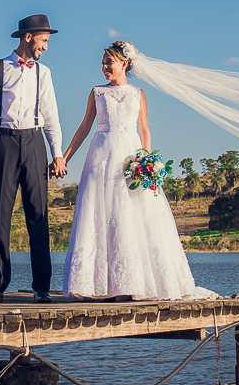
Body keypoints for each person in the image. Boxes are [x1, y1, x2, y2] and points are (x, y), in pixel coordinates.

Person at [59, 40, 215, 301]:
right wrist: (64, 157)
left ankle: (132, 283)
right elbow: (85, 127)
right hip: (101, 156)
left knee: (130, 215)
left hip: (130, 158)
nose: (104, 67)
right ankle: (96, 285)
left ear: (124, 64)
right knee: (99, 214)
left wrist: (146, 162)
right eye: (103, 63)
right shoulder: (97, 93)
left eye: (109, 62)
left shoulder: (138, 93)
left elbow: (144, 129)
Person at [0, 14, 67, 304]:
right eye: (44, 41)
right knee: (1, 217)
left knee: (38, 217)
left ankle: (41, 287)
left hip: (34, 142)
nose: (46, 47)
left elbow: (52, 117)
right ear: (29, 37)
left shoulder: (45, 73)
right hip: (4, 141)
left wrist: (57, 154)